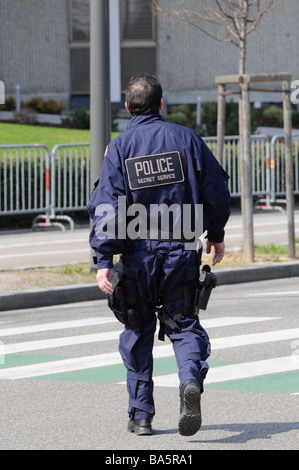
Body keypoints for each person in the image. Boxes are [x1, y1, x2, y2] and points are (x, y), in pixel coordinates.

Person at [87, 73, 230, 437]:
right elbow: (216, 190)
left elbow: (107, 206)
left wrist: (104, 259)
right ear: (161, 104)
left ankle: (141, 416)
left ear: (127, 108)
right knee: (183, 325)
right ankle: (189, 382)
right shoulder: (187, 140)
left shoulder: (120, 147)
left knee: (137, 329)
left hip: (137, 258)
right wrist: (216, 235)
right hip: (181, 252)